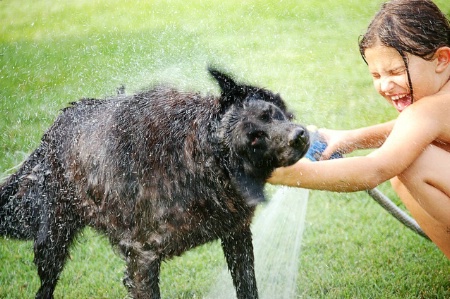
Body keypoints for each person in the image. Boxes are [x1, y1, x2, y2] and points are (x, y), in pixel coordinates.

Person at [268, 0, 450, 259]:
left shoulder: (428, 111)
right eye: (376, 76)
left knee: (411, 162)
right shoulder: (439, 103)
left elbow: (374, 169)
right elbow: (420, 128)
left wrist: (290, 174)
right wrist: (352, 138)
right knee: (408, 162)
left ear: (441, 59)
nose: (386, 86)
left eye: (395, 71)